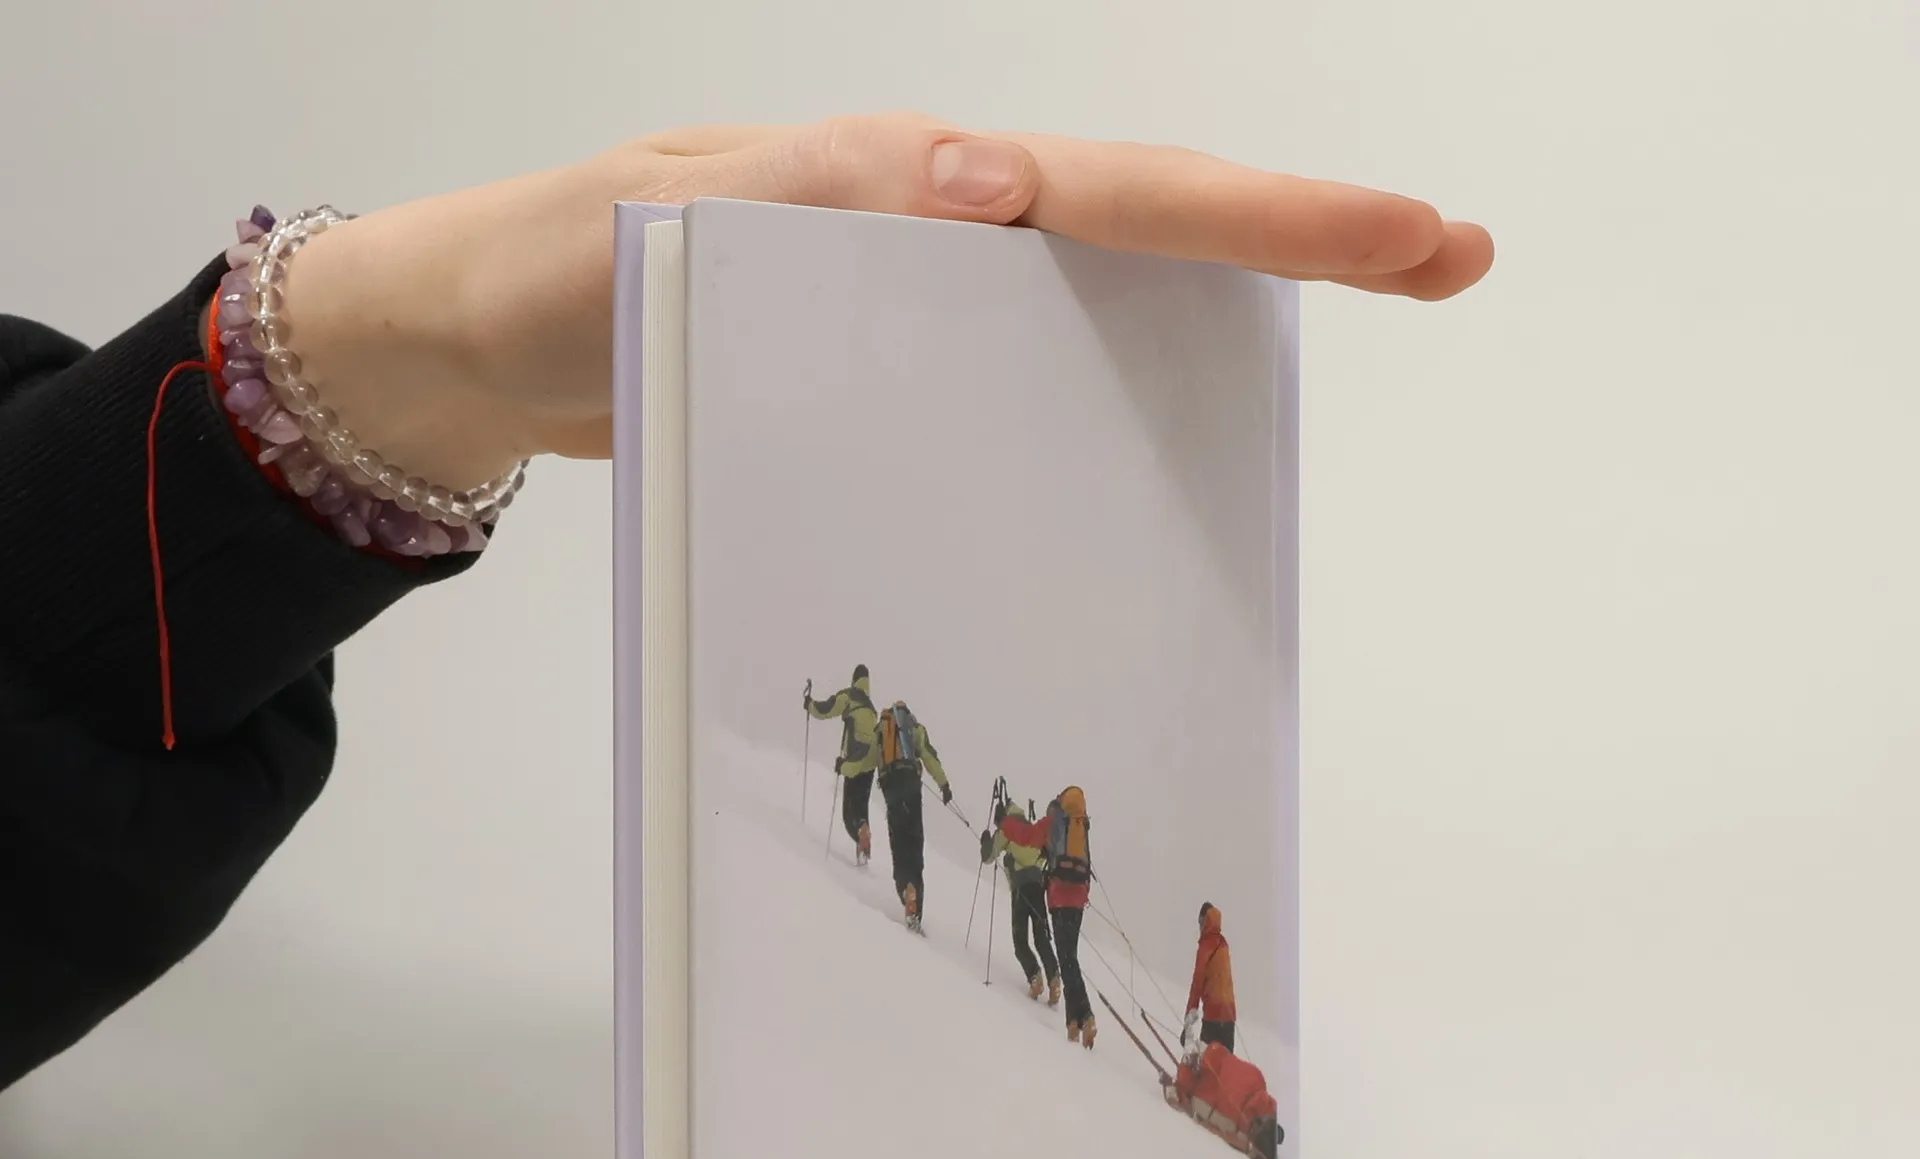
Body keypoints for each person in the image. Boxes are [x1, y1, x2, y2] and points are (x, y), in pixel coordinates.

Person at [0, 113, 1491, 1092]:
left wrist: (391, 359)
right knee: (941, 881)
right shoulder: (942, 766)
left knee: (1003, 921)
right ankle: (950, 921)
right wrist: (380, 357)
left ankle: (1001, 956)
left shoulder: (1068, 839)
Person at [995, 786, 1096, 1046]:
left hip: (1060, 897)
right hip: (1079, 897)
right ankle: (1073, 1022)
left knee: (1068, 959)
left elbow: (1026, 835)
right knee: (1069, 957)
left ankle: (1085, 1015)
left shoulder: (1054, 821)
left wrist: (1003, 823)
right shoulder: (1080, 825)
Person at [873, 700, 951, 931]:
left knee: (898, 844)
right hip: (910, 785)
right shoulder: (914, 728)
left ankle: (905, 888)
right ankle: (915, 902)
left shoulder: (881, 730)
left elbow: (868, 759)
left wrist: (847, 768)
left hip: (891, 787)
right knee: (914, 843)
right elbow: (928, 756)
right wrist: (944, 784)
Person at [980, 799, 1060, 1003]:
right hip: (1037, 887)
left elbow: (988, 857)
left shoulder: (1008, 830)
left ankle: (1034, 976)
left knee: (1020, 940)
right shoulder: (1030, 830)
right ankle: (1053, 977)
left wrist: (986, 841)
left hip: (1020, 889)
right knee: (1041, 938)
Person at [805, 664, 877, 863]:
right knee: (861, 807)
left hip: (854, 760)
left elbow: (826, 709)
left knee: (848, 815)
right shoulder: (872, 708)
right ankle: (863, 850)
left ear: (854, 679)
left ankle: (860, 832)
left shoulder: (849, 695)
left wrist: (810, 705)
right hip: (870, 764)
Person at [1184, 902, 1237, 1054]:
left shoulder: (1206, 945)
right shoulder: (1223, 944)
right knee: (1225, 1063)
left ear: (1204, 920)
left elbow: (1198, 981)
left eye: (1200, 922)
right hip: (1229, 1018)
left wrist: (1188, 1020)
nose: (1200, 928)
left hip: (1213, 1016)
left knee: (1206, 1062)